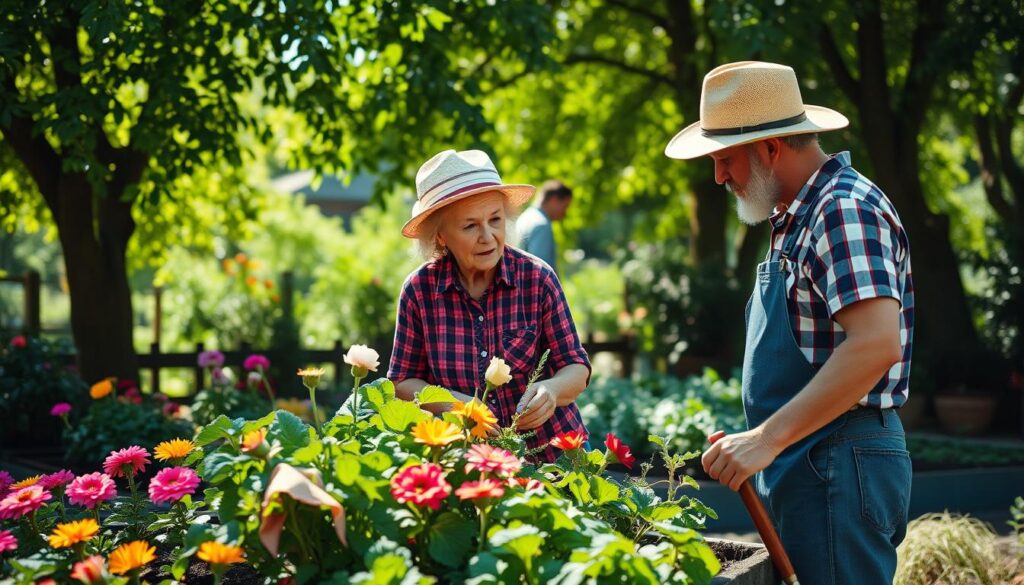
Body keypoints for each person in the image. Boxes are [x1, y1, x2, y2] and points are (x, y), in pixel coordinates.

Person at [665, 61, 914, 584]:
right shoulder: (797, 215)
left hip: (839, 463)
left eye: (725, 158)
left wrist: (766, 439)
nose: (718, 176)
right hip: (813, 463)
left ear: (771, 148)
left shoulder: (842, 209)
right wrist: (768, 440)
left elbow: (875, 344)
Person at [389, 149, 591, 463]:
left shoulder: (537, 279)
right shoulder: (419, 291)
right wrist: (455, 405)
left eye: (495, 220)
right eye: (470, 226)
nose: (488, 236)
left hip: (551, 462)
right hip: (462, 461)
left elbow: (577, 367)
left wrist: (551, 390)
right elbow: (402, 381)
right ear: (441, 236)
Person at [516, 179, 573, 272]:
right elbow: (541, 271)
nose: (564, 214)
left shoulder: (525, 217)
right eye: (565, 207)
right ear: (554, 200)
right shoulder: (542, 225)